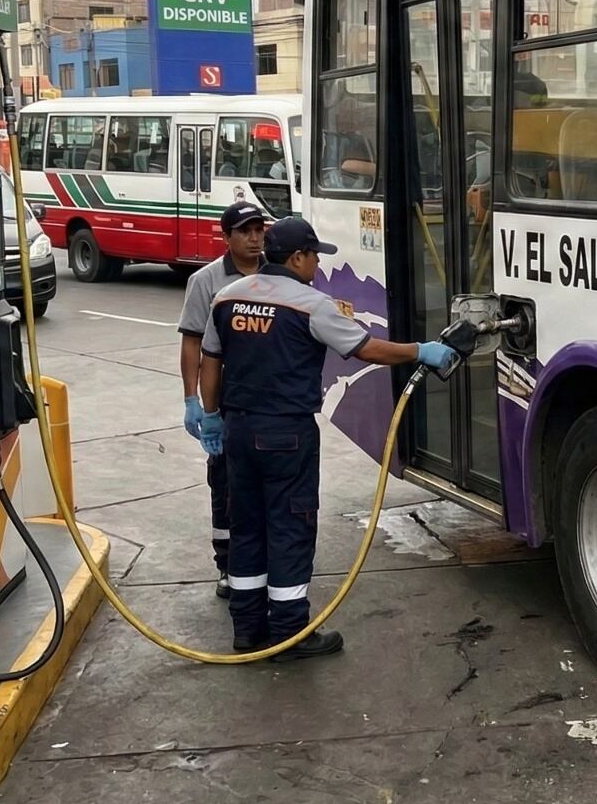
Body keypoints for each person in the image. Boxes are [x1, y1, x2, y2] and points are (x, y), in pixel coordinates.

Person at [197, 216, 460, 661]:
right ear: (297, 257)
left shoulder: (228, 297)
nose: (318, 265)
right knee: (288, 528)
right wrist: (421, 351)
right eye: (315, 256)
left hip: (237, 430)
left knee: (247, 527)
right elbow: (366, 348)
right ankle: (288, 634)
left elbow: (210, 360)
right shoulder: (310, 303)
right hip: (286, 433)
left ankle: (247, 629)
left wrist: (210, 416)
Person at [178, 201, 269, 600]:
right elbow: (192, 343)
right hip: (228, 402)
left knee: (269, 484)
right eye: (245, 231)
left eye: (259, 230)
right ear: (226, 236)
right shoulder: (206, 281)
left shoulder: (277, 274)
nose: (254, 238)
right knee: (226, 484)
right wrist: (193, 401)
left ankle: (263, 563)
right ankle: (228, 565)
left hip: (270, 400)